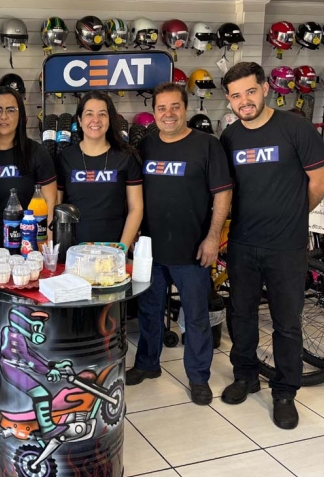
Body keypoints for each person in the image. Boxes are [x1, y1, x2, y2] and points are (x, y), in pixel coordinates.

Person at [219, 62, 324, 429]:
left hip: (286, 245)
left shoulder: (295, 128)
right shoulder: (230, 137)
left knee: (286, 322)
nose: (244, 101)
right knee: (241, 314)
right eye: (236, 95)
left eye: (250, 91)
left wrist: (294, 214)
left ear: (265, 88)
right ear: (229, 100)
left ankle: (284, 392)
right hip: (242, 242)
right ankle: (245, 376)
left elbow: (321, 180)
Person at [126, 82, 232, 406]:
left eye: (175, 107)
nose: (168, 114)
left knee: (196, 317)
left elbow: (222, 193)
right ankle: (147, 363)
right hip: (151, 250)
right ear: (154, 112)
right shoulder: (146, 145)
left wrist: (212, 237)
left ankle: (199, 378)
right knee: (149, 311)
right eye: (162, 108)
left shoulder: (207, 145)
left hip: (193, 249)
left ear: (185, 108)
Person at [56, 91, 143, 248]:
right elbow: (56, 205)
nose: (95, 120)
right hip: (74, 250)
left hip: (113, 249)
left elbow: (136, 208)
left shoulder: (126, 157)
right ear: (80, 120)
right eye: (89, 114)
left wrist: (121, 248)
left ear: (110, 119)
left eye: (102, 114)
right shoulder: (65, 157)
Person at [0, 86, 56, 248]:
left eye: (11, 110)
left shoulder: (37, 153)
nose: (3, 116)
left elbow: (50, 203)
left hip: (28, 248)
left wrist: (45, 248)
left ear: (21, 115)